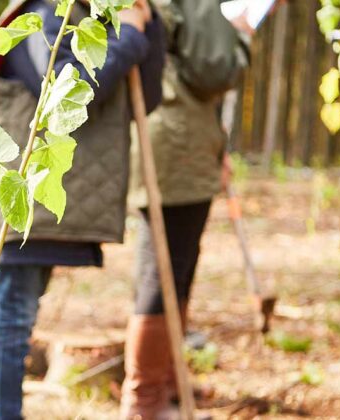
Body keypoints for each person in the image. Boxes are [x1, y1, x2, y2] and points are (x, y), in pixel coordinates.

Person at [0, 1, 165, 418]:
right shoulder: (40, 16)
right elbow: (62, 86)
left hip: (53, 196)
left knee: (19, 312)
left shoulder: (95, 20)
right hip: (26, 188)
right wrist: (129, 35)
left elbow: (143, 100)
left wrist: (148, 27)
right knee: (12, 315)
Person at [122, 0, 251, 417]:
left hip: (181, 138)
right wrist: (242, 34)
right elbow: (214, 70)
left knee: (175, 267)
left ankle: (168, 381)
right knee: (164, 269)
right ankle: (144, 399)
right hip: (177, 142)